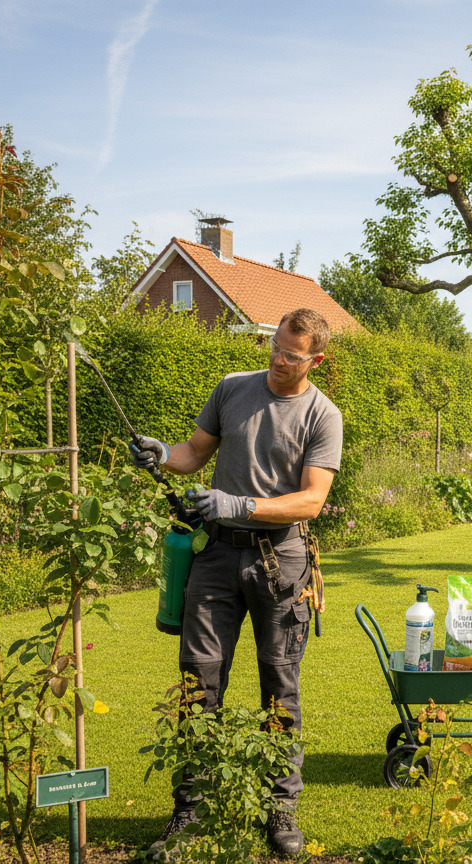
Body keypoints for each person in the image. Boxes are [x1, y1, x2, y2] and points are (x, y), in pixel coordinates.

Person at [130, 308, 342, 859]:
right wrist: (162, 455)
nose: (277, 359)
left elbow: (312, 500)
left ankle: (280, 810)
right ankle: (189, 811)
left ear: (315, 360)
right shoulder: (231, 389)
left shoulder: (323, 415)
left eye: (291, 355)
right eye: (274, 347)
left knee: (280, 686)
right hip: (217, 557)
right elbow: (194, 453)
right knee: (197, 683)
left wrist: (241, 503)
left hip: (282, 561)